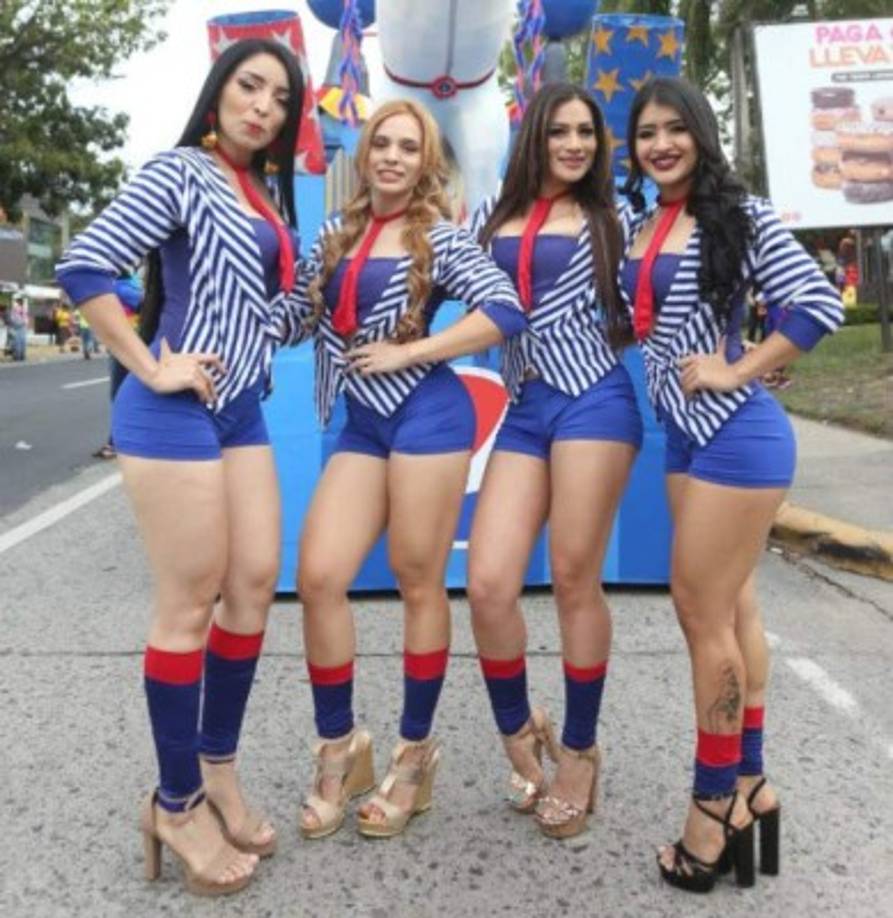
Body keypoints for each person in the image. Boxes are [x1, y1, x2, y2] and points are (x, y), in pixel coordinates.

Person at [56, 38, 305, 896]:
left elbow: (267, 318)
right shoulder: (180, 172)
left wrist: (324, 286)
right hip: (173, 409)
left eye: (280, 97)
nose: (263, 106)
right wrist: (149, 364)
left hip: (239, 409)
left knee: (254, 584)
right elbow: (83, 263)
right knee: (189, 602)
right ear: (217, 92)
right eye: (249, 86)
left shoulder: (263, 193)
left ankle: (218, 769)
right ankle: (176, 801)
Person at [618, 76, 843, 893]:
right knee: (733, 608)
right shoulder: (646, 221)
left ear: (701, 135)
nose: (661, 144)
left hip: (735, 437)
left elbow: (813, 303)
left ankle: (711, 807)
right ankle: (750, 783)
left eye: (675, 129)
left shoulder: (737, 214)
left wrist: (738, 368)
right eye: (646, 133)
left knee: (700, 613)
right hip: (684, 437)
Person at [279, 98, 527, 841]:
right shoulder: (333, 233)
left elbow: (505, 309)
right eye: (381, 143)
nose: (391, 156)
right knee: (319, 575)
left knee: (419, 579)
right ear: (364, 154)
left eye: (407, 147)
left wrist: (411, 351)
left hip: (428, 417)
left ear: (427, 164)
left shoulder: (439, 238)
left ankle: (413, 759)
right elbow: (295, 319)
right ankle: (340, 750)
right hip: (363, 423)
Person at [464, 83, 641, 839]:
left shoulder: (615, 217)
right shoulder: (487, 217)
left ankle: (579, 749)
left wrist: (743, 350)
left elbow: (675, 289)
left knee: (573, 575)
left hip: (594, 400)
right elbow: (426, 277)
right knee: (487, 584)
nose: (574, 144)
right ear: (534, 135)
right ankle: (518, 731)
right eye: (560, 131)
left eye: (586, 133)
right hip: (526, 406)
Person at [94, 272, 144, 459]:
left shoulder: (120, 287)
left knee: (119, 396)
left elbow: (141, 305)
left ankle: (116, 443)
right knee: (129, 395)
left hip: (124, 347)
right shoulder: (132, 285)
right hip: (132, 344)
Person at [8, 293, 28, 361]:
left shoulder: (18, 308)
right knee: (21, 341)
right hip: (20, 326)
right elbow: (25, 319)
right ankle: (21, 356)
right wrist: (24, 322)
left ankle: (19, 356)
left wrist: (13, 324)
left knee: (19, 342)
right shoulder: (21, 309)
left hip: (19, 326)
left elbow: (12, 318)